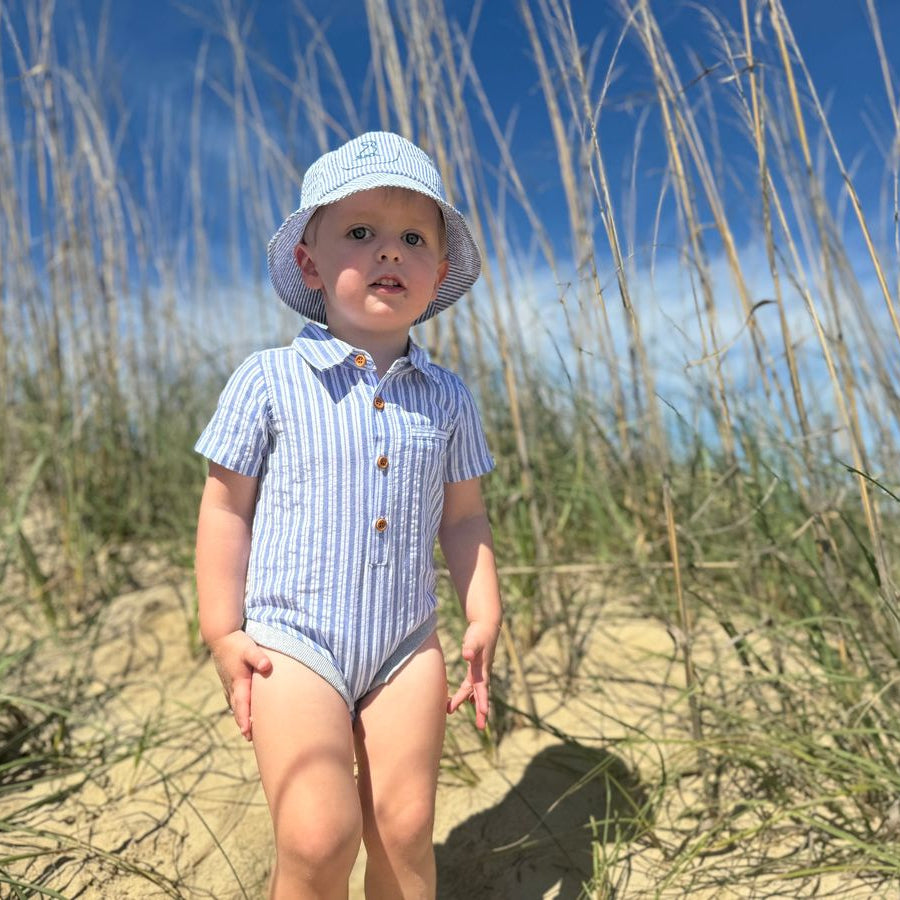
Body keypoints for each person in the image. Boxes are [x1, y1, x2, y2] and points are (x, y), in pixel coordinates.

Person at [194, 131, 502, 900]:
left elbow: (463, 519)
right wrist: (222, 632)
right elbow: (227, 507)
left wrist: (482, 609)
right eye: (360, 233)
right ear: (311, 261)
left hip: (405, 643)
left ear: (437, 269)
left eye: (412, 238)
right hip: (294, 640)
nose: (389, 252)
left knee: (403, 834)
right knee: (317, 835)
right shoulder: (268, 380)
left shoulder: (448, 396)